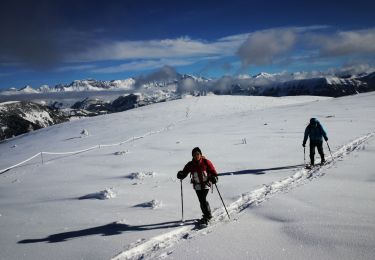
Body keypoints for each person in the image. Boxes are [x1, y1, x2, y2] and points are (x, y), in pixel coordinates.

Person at [177, 147, 218, 225]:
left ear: (200, 154)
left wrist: (214, 177)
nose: (196, 156)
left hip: (206, 184)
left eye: (198, 154)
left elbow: (213, 171)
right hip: (197, 186)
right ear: (192, 156)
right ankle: (207, 213)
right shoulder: (190, 164)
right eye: (194, 155)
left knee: (202, 199)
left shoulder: (206, 162)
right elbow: (184, 172)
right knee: (202, 200)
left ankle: (207, 216)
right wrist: (181, 174)